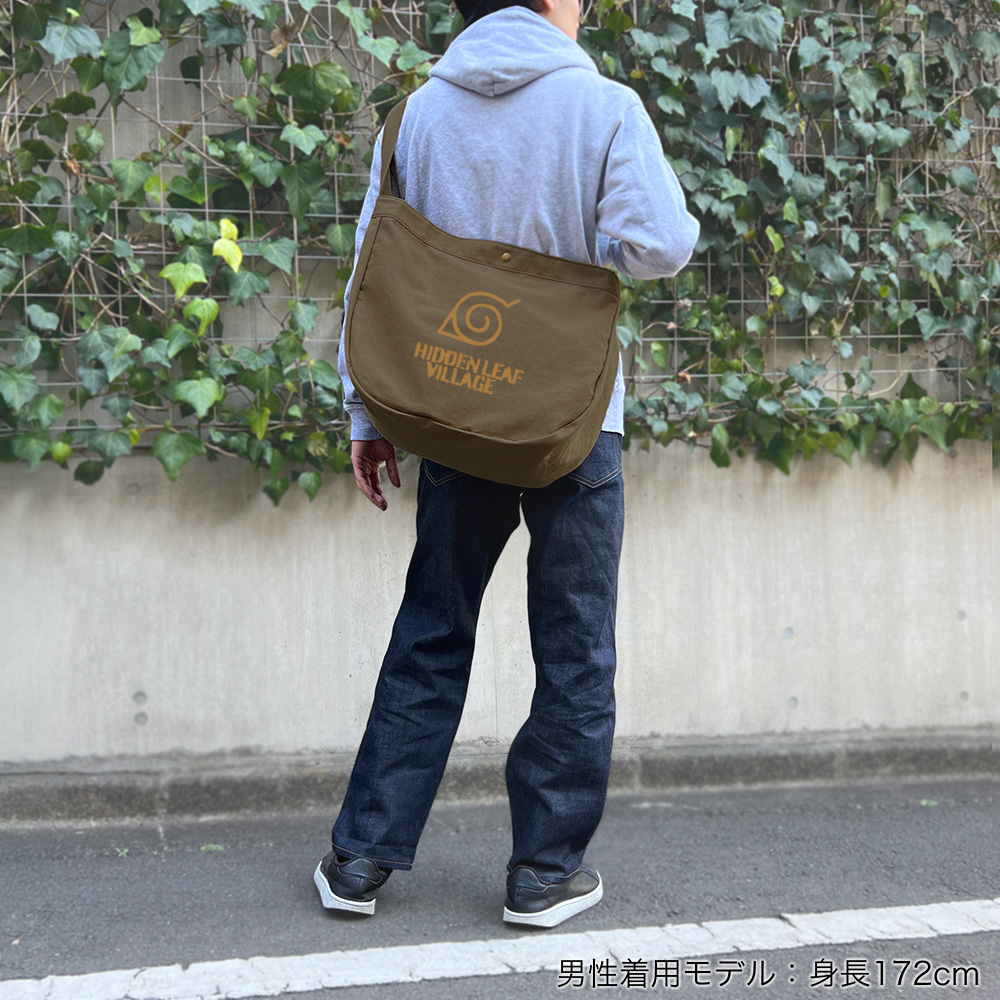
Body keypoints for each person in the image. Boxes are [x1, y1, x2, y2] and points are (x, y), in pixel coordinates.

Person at [315, 0, 699, 928]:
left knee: (432, 629)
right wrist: (581, 242)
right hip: (573, 419)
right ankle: (543, 873)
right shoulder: (605, 108)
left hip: (458, 413)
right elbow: (660, 244)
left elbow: (374, 269)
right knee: (575, 647)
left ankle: (360, 858)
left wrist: (366, 411)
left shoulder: (417, 115)